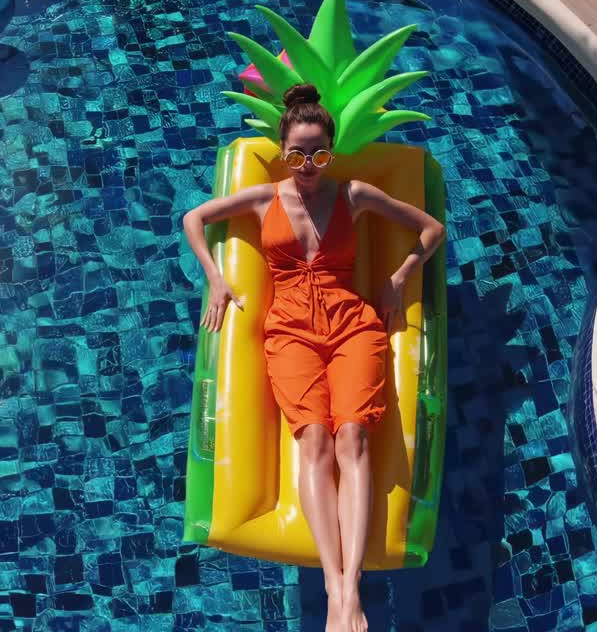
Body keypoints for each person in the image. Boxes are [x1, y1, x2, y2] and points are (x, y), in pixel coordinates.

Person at [182, 83, 445, 632]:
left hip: (352, 325)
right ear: (283, 150)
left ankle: (350, 591)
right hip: (291, 331)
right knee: (315, 439)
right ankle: (334, 587)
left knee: (353, 435)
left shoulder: (352, 195)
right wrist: (216, 280)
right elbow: (194, 219)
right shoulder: (263, 198)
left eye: (319, 153)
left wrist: (398, 280)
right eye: (298, 153)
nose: (308, 164)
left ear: (331, 151)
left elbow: (431, 230)